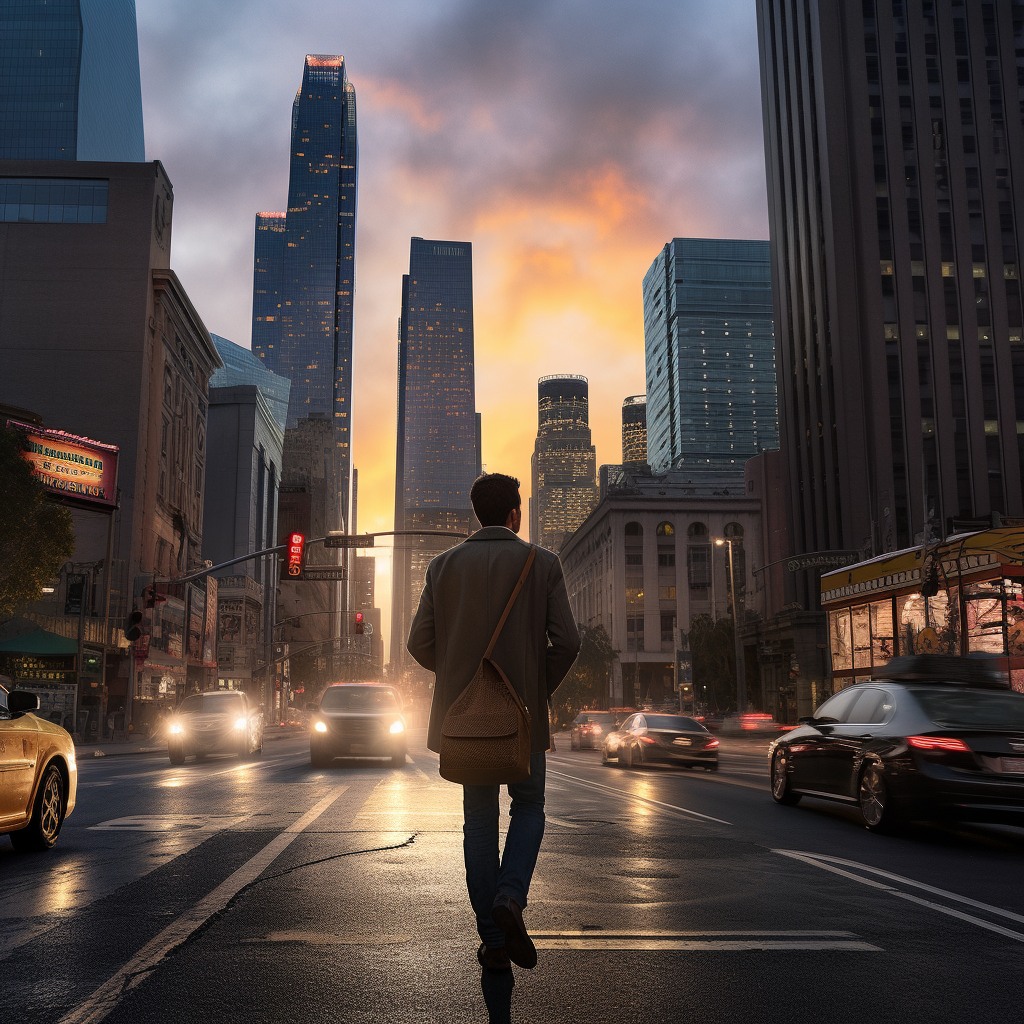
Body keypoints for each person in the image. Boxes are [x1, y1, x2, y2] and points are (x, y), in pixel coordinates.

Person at [407, 472, 580, 975]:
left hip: (464, 721)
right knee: (529, 806)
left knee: (479, 820)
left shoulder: (442, 567)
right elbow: (567, 643)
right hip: (523, 720)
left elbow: (419, 644)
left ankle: (491, 938)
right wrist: (530, 689)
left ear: (475, 515)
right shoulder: (541, 563)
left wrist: (463, 676)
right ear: (515, 514)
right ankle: (510, 897)